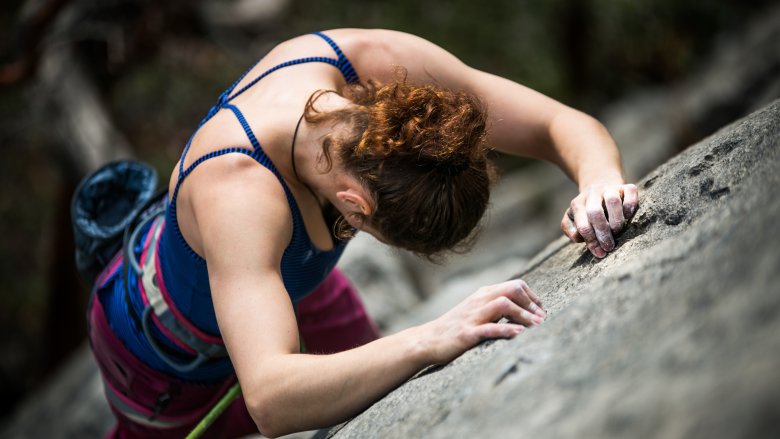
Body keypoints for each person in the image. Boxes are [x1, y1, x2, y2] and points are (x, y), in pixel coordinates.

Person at [85, 28, 638, 438]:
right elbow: (272, 397)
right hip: (165, 352)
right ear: (353, 206)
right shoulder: (239, 192)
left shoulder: (379, 68)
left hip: (286, 279)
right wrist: (431, 335)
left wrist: (599, 183)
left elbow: (558, 124)